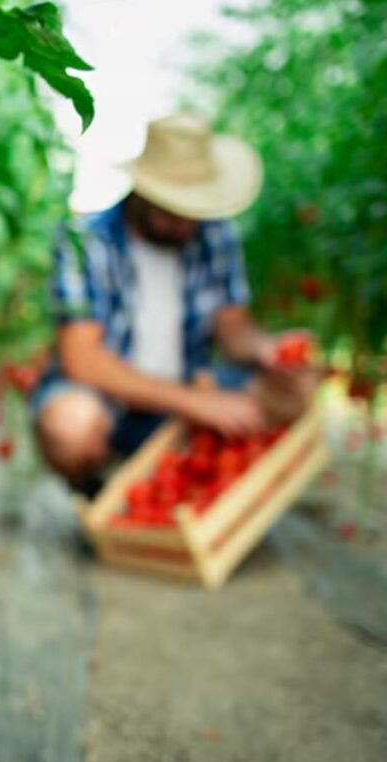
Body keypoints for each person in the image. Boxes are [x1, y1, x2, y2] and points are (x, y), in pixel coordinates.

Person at [34, 113, 316, 489]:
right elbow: (82, 359)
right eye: (174, 209)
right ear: (144, 192)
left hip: (190, 383)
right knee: (71, 426)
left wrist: (267, 349)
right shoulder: (84, 241)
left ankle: (207, 482)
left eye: (195, 210)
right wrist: (194, 402)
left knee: (298, 388)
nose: (187, 223)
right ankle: (99, 487)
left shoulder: (215, 235)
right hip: (111, 400)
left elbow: (233, 329)